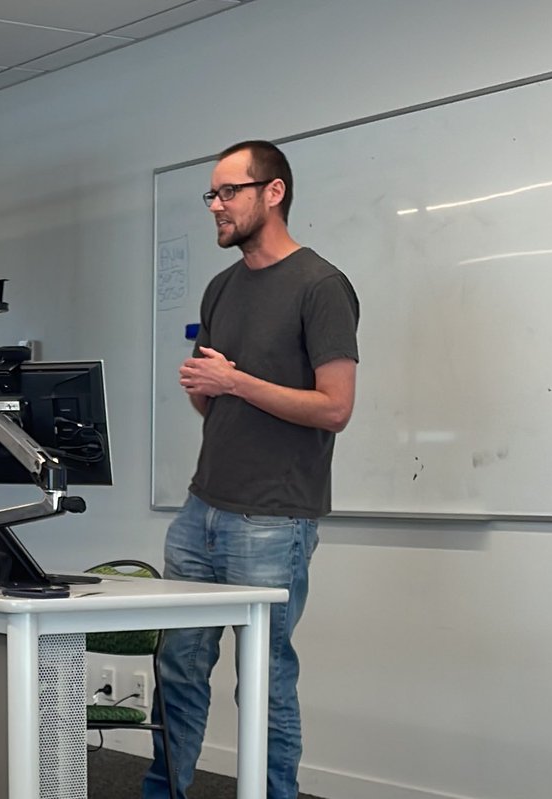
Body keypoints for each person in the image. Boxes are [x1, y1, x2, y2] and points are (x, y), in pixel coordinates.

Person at [143, 140, 359, 799]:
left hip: (275, 515)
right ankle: (164, 791)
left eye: (228, 191)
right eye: (211, 194)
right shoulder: (221, 287)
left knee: (265, 678)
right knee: (177, 666)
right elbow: (215, 399)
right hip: (200, 508)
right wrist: (206, 386)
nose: (216, 206)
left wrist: (236, 382)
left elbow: (335, 407)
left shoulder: (321, 286)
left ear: (273, 192)